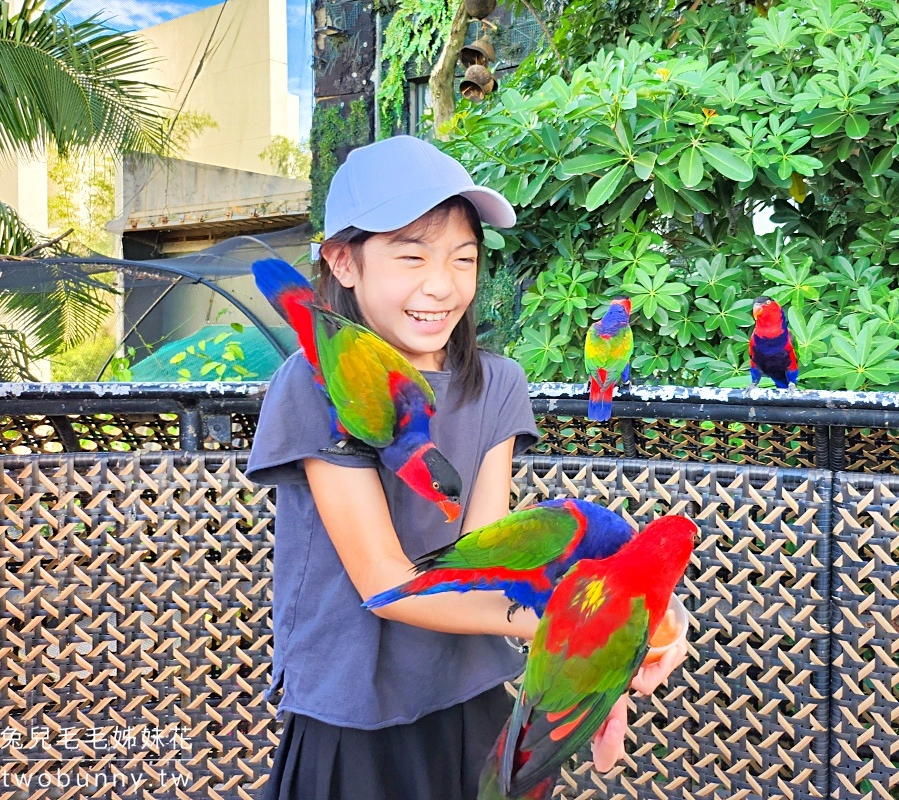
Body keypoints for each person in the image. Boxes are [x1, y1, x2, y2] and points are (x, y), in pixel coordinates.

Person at [247, 136, 687, 800]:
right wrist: (576, 627)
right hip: (351, 715)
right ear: (342, 261)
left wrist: (633, 619)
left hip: (470, 699)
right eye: (412, 255)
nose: (442, 284)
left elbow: (485, 558)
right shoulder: (318, 384)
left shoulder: (500, 383)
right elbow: (383, 582)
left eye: (464, 258)